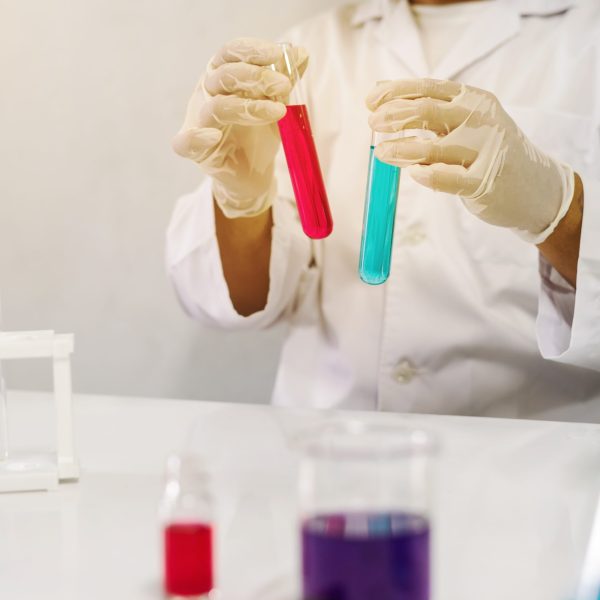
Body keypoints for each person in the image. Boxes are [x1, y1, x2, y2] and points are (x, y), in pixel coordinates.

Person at [166, 0, 600, 420]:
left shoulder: (586, 42)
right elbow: (237, 302)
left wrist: (562, 211)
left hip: (527, 457)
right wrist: (243, 198)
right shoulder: (309, 49)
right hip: (328, 445)